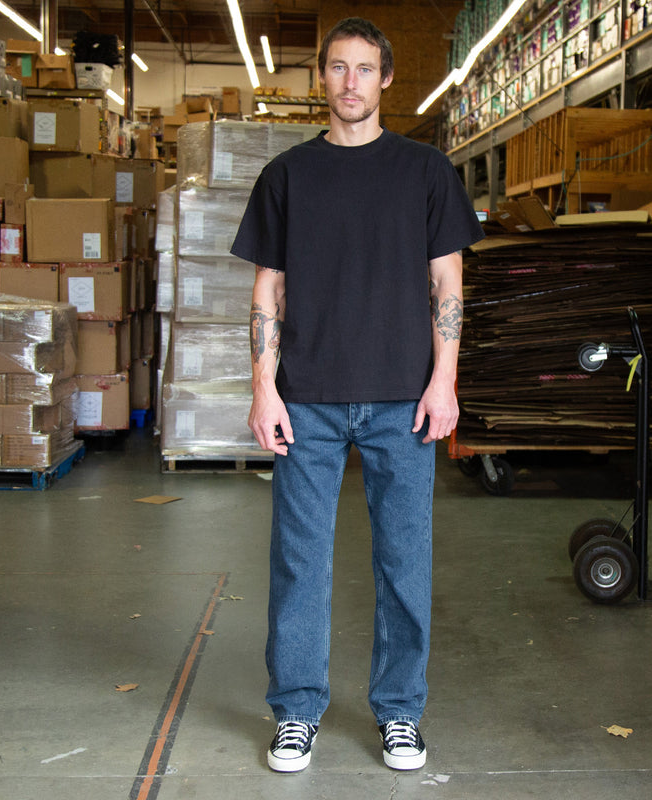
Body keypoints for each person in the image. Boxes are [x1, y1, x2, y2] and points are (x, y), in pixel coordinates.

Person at [230, 17, 484, 773]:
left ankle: (400, 713)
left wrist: (444, 382)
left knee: (405, 562)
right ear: (322, 78)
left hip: (403, 400)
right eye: (337, 68)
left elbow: (449, 284)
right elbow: (266, 290)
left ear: (386, 80)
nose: (350, 82)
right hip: (305, 397)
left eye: (364, 69)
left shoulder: (426, 172)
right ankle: (297, 712)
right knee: (299, 563)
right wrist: (262, 390)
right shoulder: (287, 177)